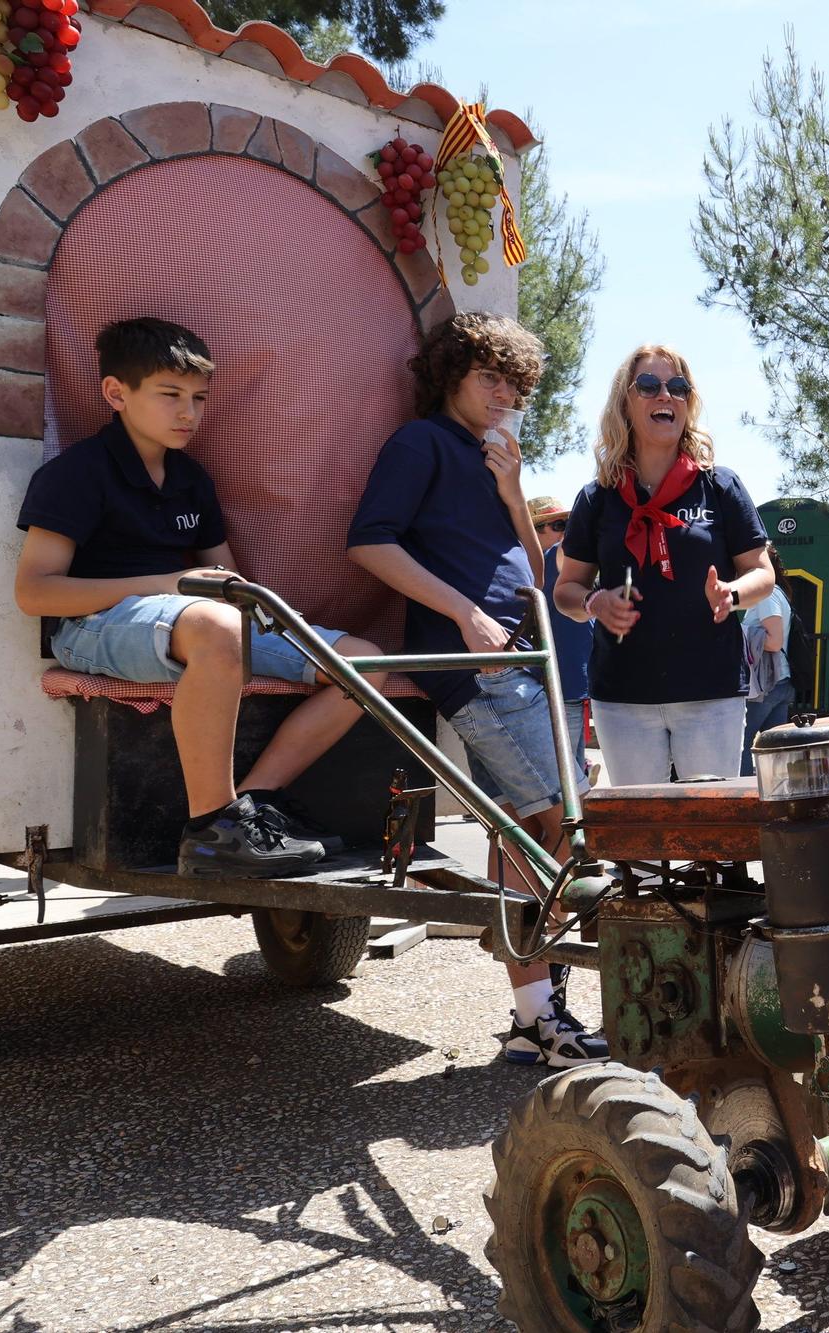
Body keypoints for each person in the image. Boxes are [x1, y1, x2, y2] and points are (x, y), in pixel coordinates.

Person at [14, 317, 383, 877]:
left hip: (190, 617)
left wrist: (263, 616)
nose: (189, 412)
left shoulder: (192, 479)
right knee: (217, 625)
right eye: (170, 395)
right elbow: (34, 592)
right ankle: (210, 829)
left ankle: (250, 807)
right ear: (116, 393)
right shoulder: (76, 474)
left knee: (365, 664)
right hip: (93, 626)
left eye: (199, 398)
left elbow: (226, 581)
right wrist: (166, 585)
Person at [348, 312, 600, 1069]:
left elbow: (536, 568)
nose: (503, 396)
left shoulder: (486, 455)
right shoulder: (420, 442)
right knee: (558, 825)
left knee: (533, 835)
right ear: (450, 374)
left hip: (523, 659)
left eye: (515, 386)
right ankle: (544, 1010)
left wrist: (515, 489)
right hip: (479, 665)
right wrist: (462, 614)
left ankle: (536, 1017)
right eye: (490, 377)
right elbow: (367, 541)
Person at [552, 345, 775, 785]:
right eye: (649, 386)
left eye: (677, 388)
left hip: (710, 690)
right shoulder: (597, 498)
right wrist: (595, 601)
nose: (665, 397)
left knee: (708, 837)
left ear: (688, 403)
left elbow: (763, 573)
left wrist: (732, 595)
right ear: (625, 403)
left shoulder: (721, 486)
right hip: (623, 695)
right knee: (643, 843)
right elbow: (565, 591)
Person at [529, 495, 592, 777]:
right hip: (561, 684)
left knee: (568, 770)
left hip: (567, 684)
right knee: (566, 774)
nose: (567, 530)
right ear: (534, 530)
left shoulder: (527, 566)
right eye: (559, 524)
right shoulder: (556, 555)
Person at [740, 543, 796, 774]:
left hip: (765, 685)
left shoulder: (767, 594)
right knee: (776, 751)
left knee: (740, 745)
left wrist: (741, 633)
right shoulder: (778, 593)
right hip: (779, 682)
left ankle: (739, 799)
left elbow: (773, 641)